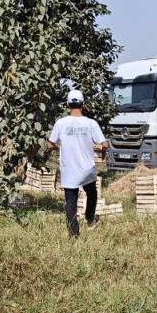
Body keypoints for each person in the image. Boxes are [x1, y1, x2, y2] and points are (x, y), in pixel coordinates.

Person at [47, 89, 108, 238]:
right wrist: (100, 149)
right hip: (87, 169)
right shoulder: (91, 123)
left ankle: (74, 234)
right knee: (92, 193)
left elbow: (49, 144)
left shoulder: (61, 123)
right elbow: (104, 144)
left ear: (68, 104)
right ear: (83, 105)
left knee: (71, 202)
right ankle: (90, 218)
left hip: (69, 169)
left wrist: (58, 147)